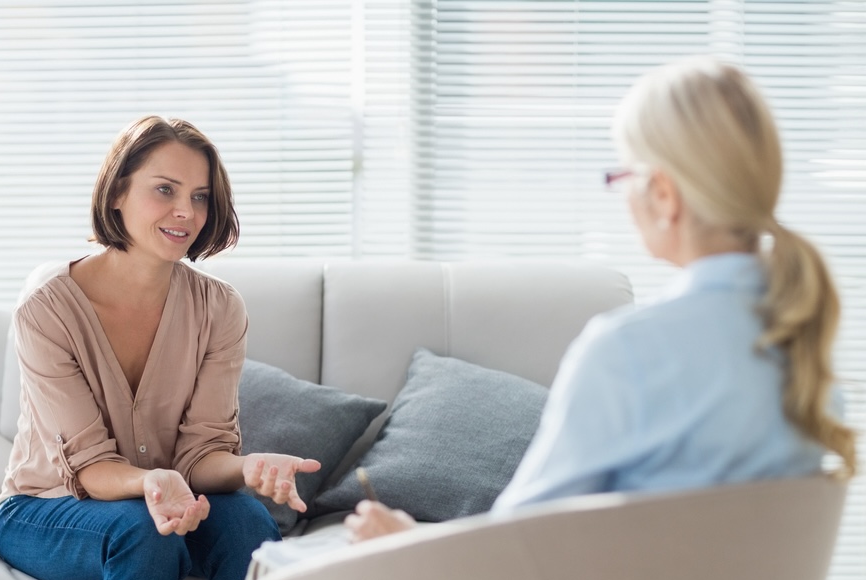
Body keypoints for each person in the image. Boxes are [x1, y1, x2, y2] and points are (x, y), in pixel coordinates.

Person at [346, 56, 857, 543]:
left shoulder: (629, 351)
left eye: (625, 176)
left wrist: (407, 543)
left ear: (663, 195)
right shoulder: (804, 352)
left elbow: (517, 551)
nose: (623, 196)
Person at [0, 115, 321, 580]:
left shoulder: (220, 308)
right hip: (48, 508)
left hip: (168, 502)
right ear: (118, 191)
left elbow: (200, 454)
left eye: (200, 197)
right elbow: (91, 468)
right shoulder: (47, 312)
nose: (186, 213)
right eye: (164, 190)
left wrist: (247, 468)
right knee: (144, 531)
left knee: (248, 521)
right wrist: (153, 482)